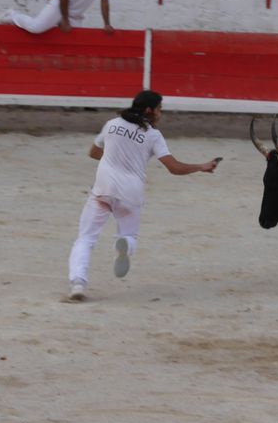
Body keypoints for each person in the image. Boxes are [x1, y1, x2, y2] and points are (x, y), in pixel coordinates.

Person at [66, 90, 220, 301]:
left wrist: (114, 158)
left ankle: (77, 284)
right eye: (159, 109)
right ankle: (125, 246)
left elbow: (93, 152)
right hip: (130, 193)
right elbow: (174, 168)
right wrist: (201, 166)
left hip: (103, 188)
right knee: (129, 235)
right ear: (149, 110)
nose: (160, 113)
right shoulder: (153, 135)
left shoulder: (112, 124)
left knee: (85, 238)